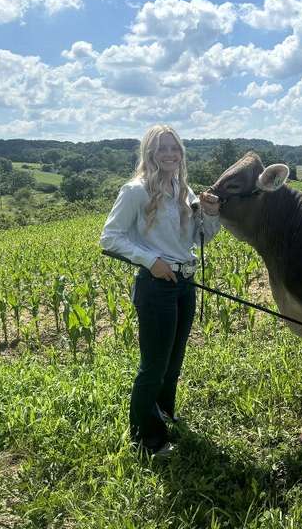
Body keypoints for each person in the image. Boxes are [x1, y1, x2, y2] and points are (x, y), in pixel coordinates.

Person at [100, 124, 220, 457]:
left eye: (175, 148)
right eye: (162, 148)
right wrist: (151, 260)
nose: (169, 154)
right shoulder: (135, 190)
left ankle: (164, 413)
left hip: (184, 283)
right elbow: (110, 238)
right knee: (153, 365)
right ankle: (146, 439)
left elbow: (201, 238)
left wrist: (211, 214)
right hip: (156, 286)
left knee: (174, 359)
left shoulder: (184, 189)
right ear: (150, 153)